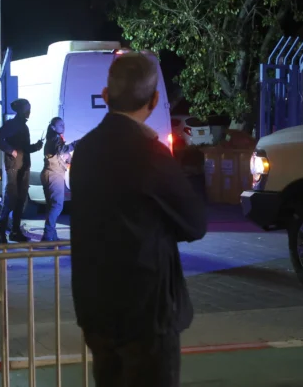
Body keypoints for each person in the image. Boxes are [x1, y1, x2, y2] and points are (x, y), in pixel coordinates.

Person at [69, 53, 206, 387]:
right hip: (146, 312)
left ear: (105, 96)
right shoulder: (151, 153)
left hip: (95, 307)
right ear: (155, 100)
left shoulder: (84, 150)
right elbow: (195, 223)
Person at [0, 98, 43, 244]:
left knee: (20, 200)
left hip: (24, 166)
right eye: (27, 108)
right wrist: (11, 151)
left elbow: (24, 148)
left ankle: (15, 231)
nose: (29, 111)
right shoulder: (12, 124)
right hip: (14, 167)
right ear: (21, 110)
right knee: (11, 199)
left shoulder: (22, 125)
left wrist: (36, 147)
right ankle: (1, 231)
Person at [40, 117, 75, 242]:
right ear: (53, 127)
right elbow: (61, 149)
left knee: (52, 206)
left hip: (50, 174)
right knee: (57, 205)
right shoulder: (55, 138)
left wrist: (67, 158)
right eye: (60, 125)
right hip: (54, 175)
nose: (63, 127)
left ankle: (52, 236)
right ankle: (48, 236)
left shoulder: (53, 138)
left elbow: (60, 153)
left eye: (63, 125)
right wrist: (76, 143)